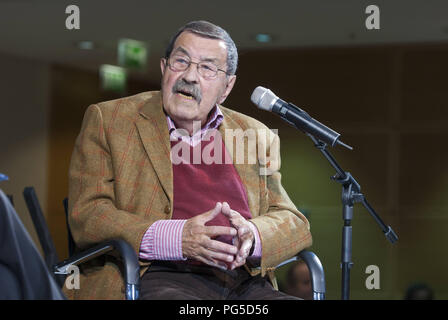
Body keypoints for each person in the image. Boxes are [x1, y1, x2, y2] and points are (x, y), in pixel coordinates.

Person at [66, 20, 312, 300]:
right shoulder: (110, 121)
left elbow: (294, 222)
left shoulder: (255, 135)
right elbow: (87, 214)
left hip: (245, 284)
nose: (191, 76)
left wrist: (253, 234)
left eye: (207, 67)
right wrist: (175, 239)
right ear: (163, 68)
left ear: (227, 86)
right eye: (181, 61)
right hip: (153, 276)